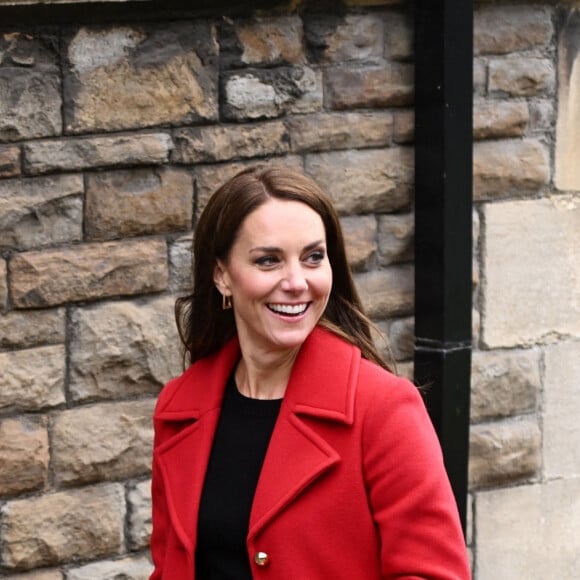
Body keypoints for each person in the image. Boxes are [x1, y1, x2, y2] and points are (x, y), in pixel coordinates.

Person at [149, 165, 471, 580]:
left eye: (313, 258)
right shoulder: (179, 407)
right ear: (222, 275)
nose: (297, 282)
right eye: (268, 260)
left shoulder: (383, 408)